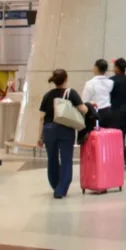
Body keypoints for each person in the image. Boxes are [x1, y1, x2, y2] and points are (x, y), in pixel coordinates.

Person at [38, 69, 86, 199]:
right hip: (65, 129)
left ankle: (55, 185)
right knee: (66, 160)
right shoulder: (70, 93)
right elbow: (83, 109)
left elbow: (41, 117)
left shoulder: (47, 95)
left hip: (48, 130)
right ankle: (61, 189)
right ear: (66, 79)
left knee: (52, 159)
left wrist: (40, 137)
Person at [108, 57, 126, 158]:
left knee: (114, 135)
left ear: (117, 68)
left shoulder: (111, 81)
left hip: (115, 110)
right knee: (122, 134)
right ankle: (123, 155)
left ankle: (117, 157)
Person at [81, 59, 113, 129]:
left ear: (95, 68)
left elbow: (84, 101)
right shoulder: (111, 82)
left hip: (95, 113)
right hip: (108, 112)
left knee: (96, 136)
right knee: (106, 136)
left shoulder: (90, 83)